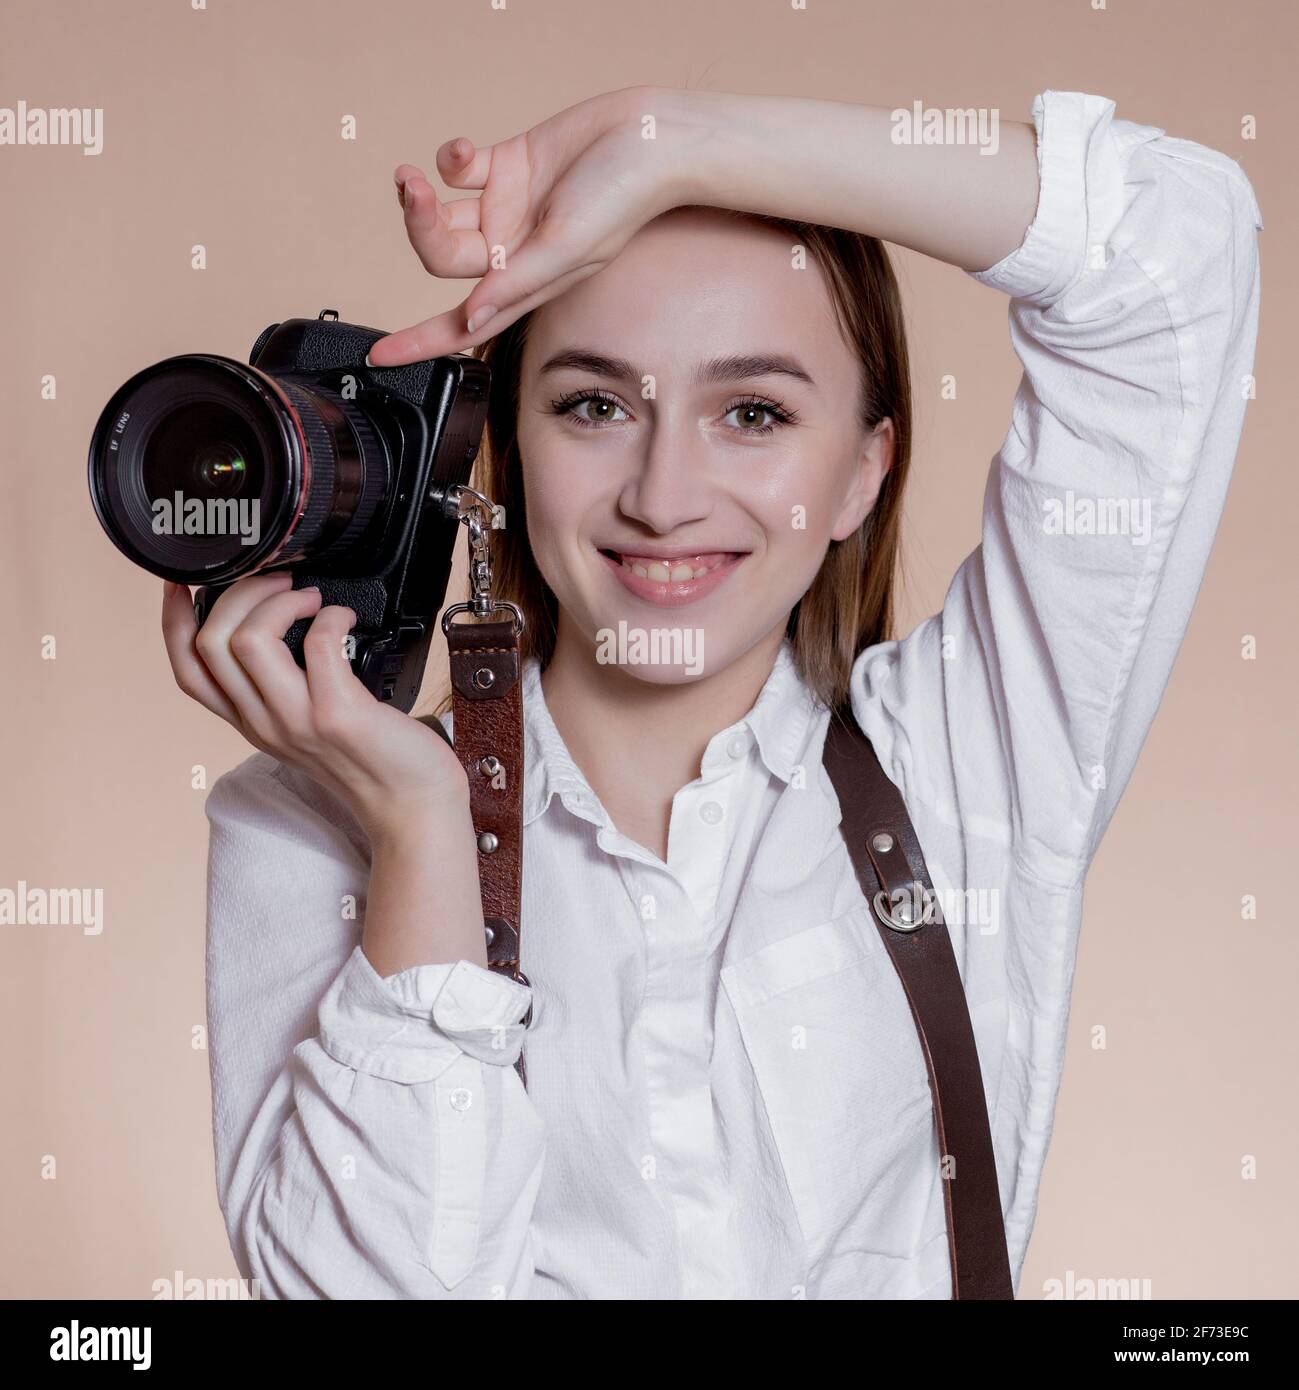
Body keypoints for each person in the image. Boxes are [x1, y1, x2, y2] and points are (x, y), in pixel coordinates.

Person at [162, 85, 1262, 1298]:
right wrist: (424, 835)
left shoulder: (970, 764)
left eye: (753, 411)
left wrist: (678, 140)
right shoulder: (311, 826)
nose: (665, 491)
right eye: (595, 403)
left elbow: (1175, 246)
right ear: (505, 452)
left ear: (861, 474)